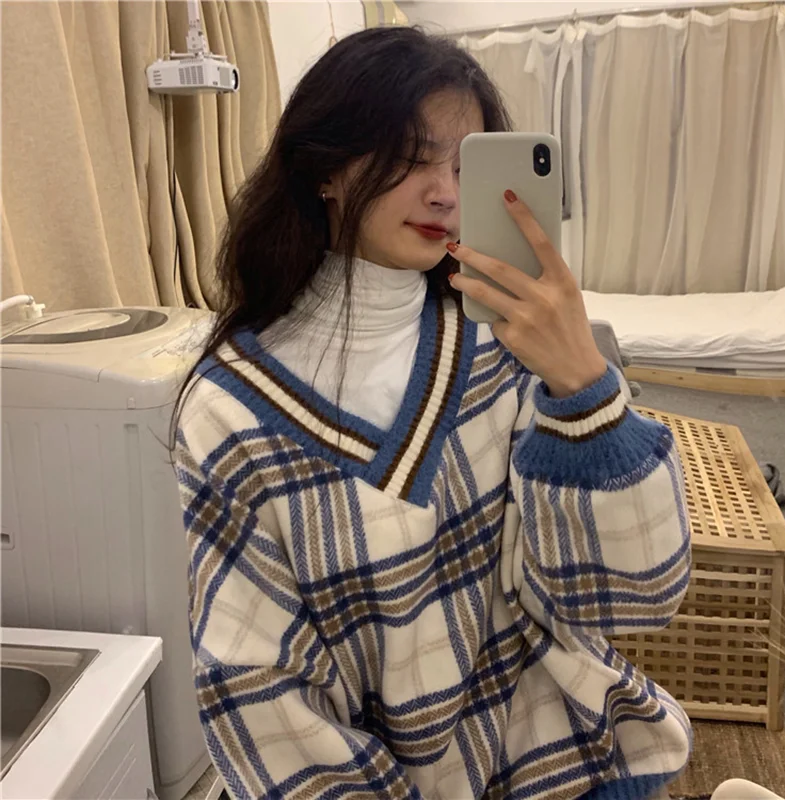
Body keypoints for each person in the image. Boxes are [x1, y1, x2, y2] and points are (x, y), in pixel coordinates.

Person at [174, 26, 692, 800]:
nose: (446, 193)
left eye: (464, 166)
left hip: (578, 764)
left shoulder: (500, 345)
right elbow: (260, 694)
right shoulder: (230, 410)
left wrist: (583, 383)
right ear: (326, 169)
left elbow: (639, 593)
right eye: (413, 157)